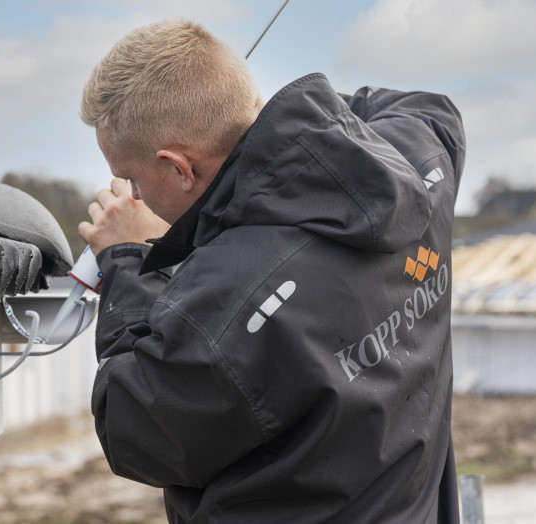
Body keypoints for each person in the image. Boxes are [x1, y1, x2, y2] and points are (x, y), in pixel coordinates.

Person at [77, 19, 465, 523]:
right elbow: (426, 108)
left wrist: (127, 258)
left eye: (131, 177)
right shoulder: (417, 162)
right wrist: (263, 121)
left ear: (179, 167)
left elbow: (134, 429)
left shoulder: (227, 302)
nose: (132, 196)